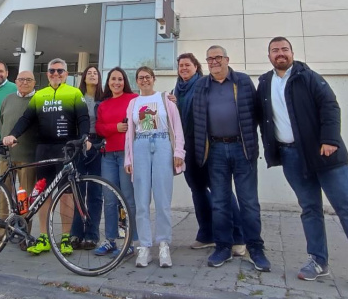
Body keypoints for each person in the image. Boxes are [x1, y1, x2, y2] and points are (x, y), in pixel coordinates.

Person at [256, 37, 348, 297]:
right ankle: (318, 260)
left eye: (284, 49)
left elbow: (330, 106)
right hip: (291, 156)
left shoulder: (309, 77)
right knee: (310, 209)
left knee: (347, 209)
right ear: (269, 56)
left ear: (292, 52)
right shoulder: (265, 83)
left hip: (325, 154)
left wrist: (329, 140)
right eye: (275, 51)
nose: (280, 54)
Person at [192, 45, 271, 270]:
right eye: (210, 59)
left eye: (218, 57)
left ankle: (255, 247)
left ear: (227, 59)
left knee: (249, 202)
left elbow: (256, 113)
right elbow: (197, 120)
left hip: (241, 149)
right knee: (219, 202)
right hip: (215, 150)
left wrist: (251, 141)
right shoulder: (201, 85)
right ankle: (223, 247)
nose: (214, 62)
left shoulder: (243, 82)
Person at [3, 58, 90, 256]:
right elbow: (26, 119)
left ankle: (65, 238)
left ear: (66, 74)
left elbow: (83, 119)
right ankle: (43, 237)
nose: (56, 74)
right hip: (43, 149)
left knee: (66, 195)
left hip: (66, 150)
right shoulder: (40, 95)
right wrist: (13, 135)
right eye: (52, 71)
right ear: (48, 73)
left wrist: (85, 137)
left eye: (60, 71)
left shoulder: (74, 93)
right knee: (43, 194)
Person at [170, 53, 246, 254]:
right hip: (186, 148)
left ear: (196, 67)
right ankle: (207, 234)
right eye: (180, 66)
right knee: (198, 191)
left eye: (187, 65)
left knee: (222, 192)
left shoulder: (205, 85)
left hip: (207, 146)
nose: (184, 68)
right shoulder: (175, 91)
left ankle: (239, 236)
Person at [124, 67, 185, 268]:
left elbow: (177, 127)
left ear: (154, 79)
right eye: (141, 78)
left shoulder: (165, 100)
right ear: (137, 81)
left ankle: (164, 244)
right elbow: (129, 134)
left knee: (162, 199)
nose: (144, 81)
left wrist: (178, 153)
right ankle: (144, 246)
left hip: (161, 145)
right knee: (141, 200)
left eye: (147, 77)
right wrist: (128, 159)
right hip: (140, 145)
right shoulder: (133, 103)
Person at [0, 70, 39, 250]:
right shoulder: (8, 99)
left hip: (27, 157)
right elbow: (1, 123)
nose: (24, 83)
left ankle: (23, 234)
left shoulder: (38, 101)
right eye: (21, 79)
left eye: (28, 80)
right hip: (5, 157)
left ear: (34, 82)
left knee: (26, 199)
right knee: (3, 197)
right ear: (16, 81)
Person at [93, 67, 137, 258]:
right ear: (108, 82)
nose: (116, 82)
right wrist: (116, 127)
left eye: (120, 79)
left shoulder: (133, 99)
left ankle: (131, 241)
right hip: (108, 156)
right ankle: (110, 240)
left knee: (128, 198)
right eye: (113, 79)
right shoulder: (104, 104)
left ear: (124, 81)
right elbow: (99, 128)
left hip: (127, 155)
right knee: (109, 199)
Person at [69, 65, 104, 251]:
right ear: (83, 78)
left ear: (99, 78)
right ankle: (76, 233)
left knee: (96, 192)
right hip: (79, 144)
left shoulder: (104, 98)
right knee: (78, 190)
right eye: (89, 73)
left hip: (98, 145)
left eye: (95, 73)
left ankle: (92, 235)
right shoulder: (77, 96)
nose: (92, 75)